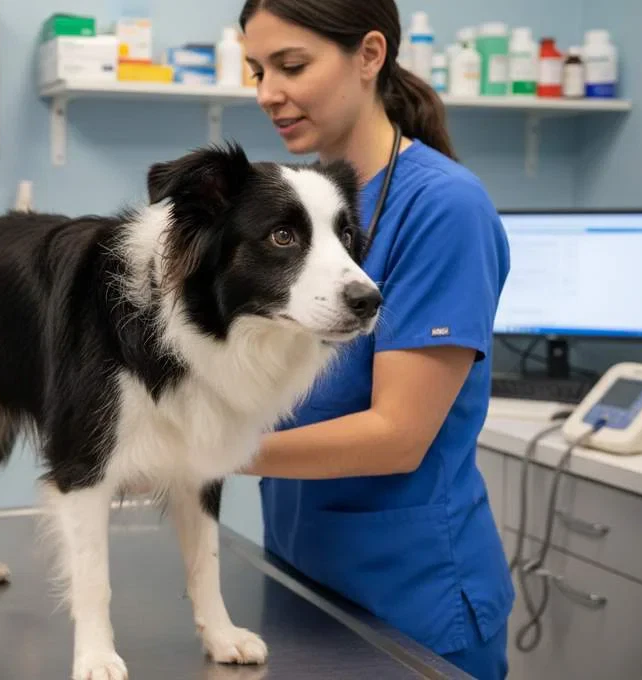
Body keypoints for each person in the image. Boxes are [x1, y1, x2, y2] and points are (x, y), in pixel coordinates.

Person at [236, 1, 513, 678]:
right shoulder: (296, 209)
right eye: (257, 69)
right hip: (305, 577)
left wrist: (205, 454)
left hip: (414, 604)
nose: (268, 92)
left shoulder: (444, 206)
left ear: (368, 55)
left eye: (291, 65)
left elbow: (397, 434)